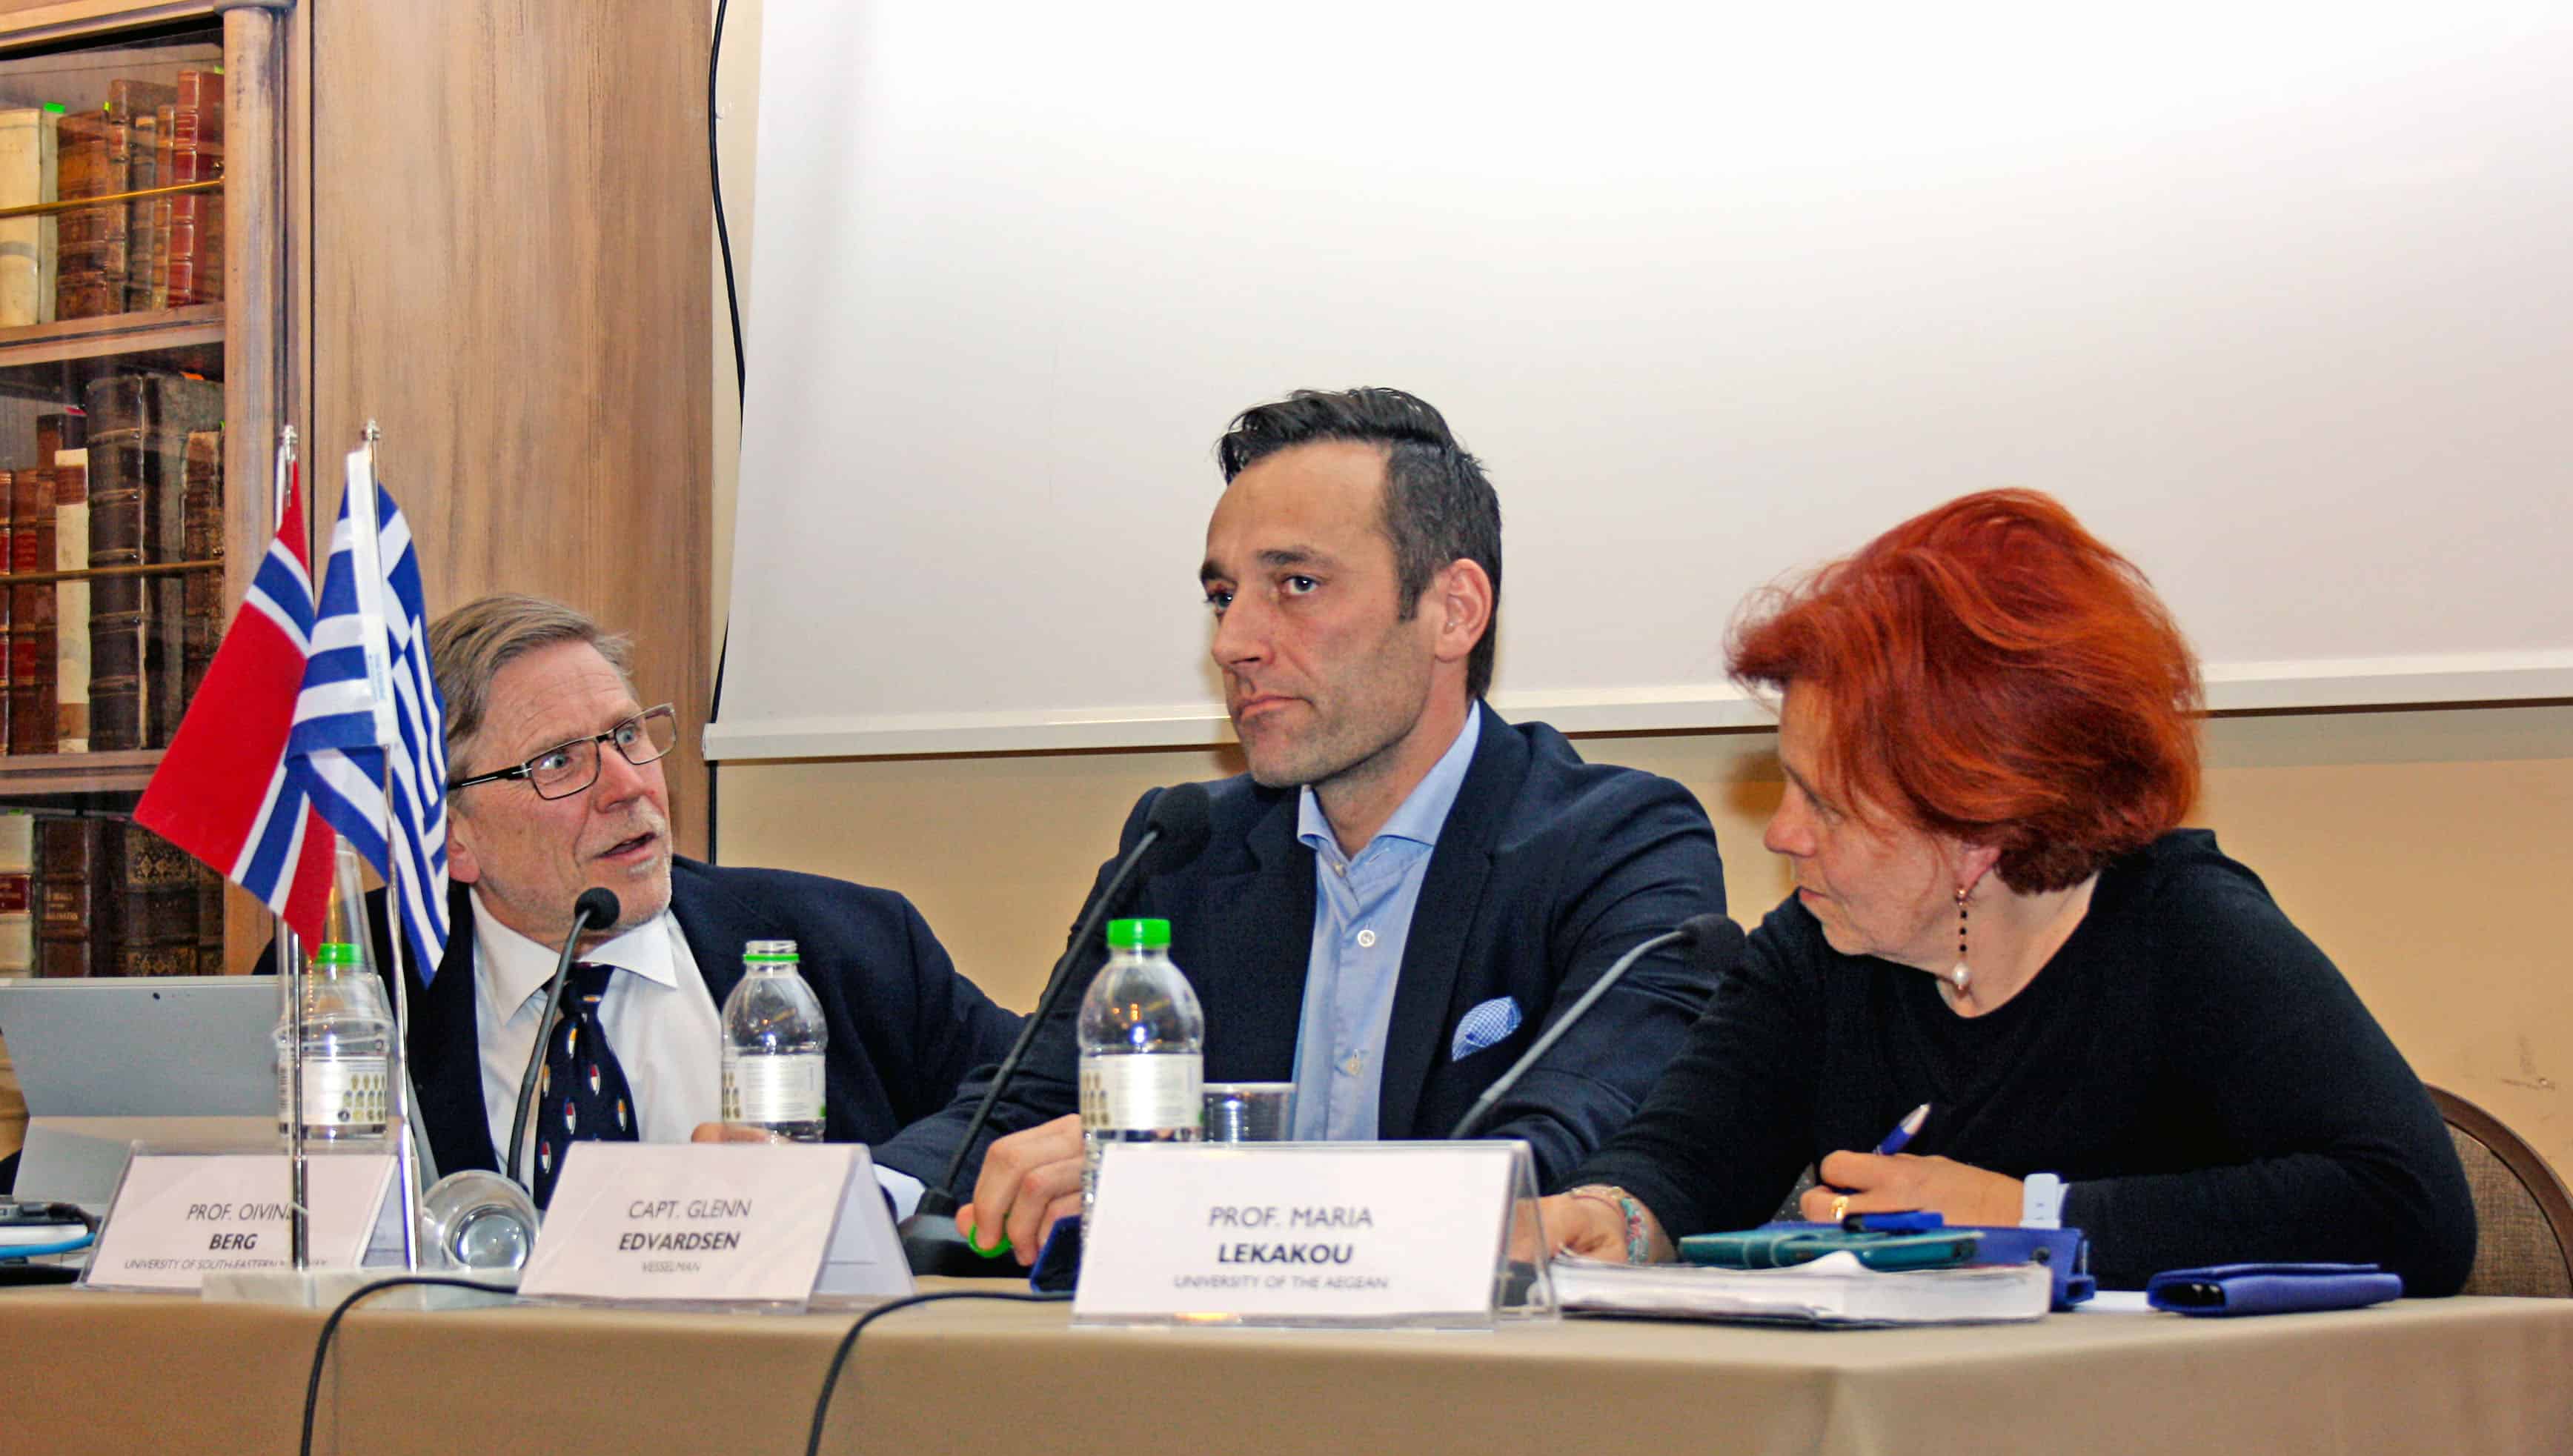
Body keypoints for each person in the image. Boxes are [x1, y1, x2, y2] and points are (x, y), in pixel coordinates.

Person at [1544, 489, 2476, 1293]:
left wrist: (2026, 1215)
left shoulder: (2184, 931)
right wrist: (1607, 1218)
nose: (1781, 833)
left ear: (1976, 829)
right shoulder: (1818, 947)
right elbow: (1688, 1155)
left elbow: (2409, 1206)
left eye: (1825, 803)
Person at [873, 388, 1728, 1262]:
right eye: (1221, 595)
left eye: (1297, 585)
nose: (1233, 642)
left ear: (1454, 610)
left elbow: (1564, 1142)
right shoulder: (1183, 849)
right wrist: (855, 1202)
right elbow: (1027, 1100)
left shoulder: (1619, 842)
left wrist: (1201, 1185)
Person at [384, 594, 1020, 1210]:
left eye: (627, 734)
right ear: (451, 836)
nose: (628, 785)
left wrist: (868, 1193)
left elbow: (1033, 1096)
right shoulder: (364, 987)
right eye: (557, 762)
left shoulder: (852, 943)